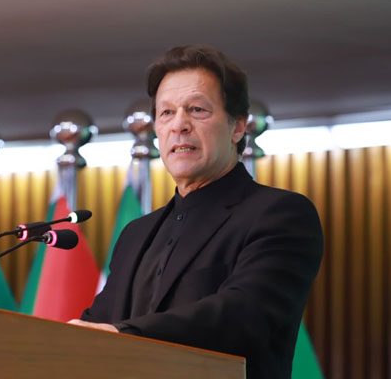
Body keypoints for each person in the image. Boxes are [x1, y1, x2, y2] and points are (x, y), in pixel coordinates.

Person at [68, 45, 323, 379]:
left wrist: (126, 335)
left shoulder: (280, 214)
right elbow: (97, 324)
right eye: (166, 113)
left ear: (237, 128)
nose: (179, 125)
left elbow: (244, 316)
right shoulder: (137, 233)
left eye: (197, 110)